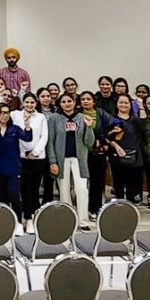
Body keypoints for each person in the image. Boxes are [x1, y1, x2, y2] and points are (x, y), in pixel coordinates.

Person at [47, 94, 95, 228]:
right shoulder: (54, 118)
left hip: (79, 159)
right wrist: (52, 161)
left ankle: (83, 221)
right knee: (64, 190)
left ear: (74, 103)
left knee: (82, 189)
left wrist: (89, 127)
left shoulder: (82, 118)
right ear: (59, 104)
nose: (67, 104)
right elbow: (50, 142)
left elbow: (89, 142)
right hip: (61, 160)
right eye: (64, 101)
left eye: (69, 101)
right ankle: (68, 220)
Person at [0, 104, 34, 226]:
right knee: (3, 197)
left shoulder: (15, 129)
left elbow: (27, 138)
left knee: (14, 195)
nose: (4, 115)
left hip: (14, 168)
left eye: (6, 113)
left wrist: (27, 126)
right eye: (1, 112)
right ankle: (7, 221)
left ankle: (18, 222)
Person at [15, 93, 49, 230]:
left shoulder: (41, 117)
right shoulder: (16, 115)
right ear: (23, 103)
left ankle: (34, 213)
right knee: (25, 188)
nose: (29, 105)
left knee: (35, 188)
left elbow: (44, 136)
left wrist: (35, 152)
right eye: (27, 102)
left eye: (32, 102)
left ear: (36, 104)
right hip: (21, 157)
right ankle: (27, 217)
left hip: (37, 157)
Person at [78, 91, 114, 219]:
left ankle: (95, 208)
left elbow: (115, 125)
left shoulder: (101, 113)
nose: (86, 101)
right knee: (81, 184)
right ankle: (81, 209)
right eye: (83, 99)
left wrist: (103, 140)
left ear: (94, 101)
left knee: (97, 182)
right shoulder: (77, 114)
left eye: (88, 99)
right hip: (81, 153)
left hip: (98, 152)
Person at [104, 95, 144, 204]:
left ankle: (130, 206)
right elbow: (105, 137)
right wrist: (117, 147)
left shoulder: (135, 119)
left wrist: (141, 106)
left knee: (132, 183)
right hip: (116, 155)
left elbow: (144, 126)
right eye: (121, 102)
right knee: (118, 183)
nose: (123, 105)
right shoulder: (111, 118)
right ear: (116, 104)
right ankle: (119, 205)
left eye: (126, 103)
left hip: (134, 155)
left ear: (130, 105)